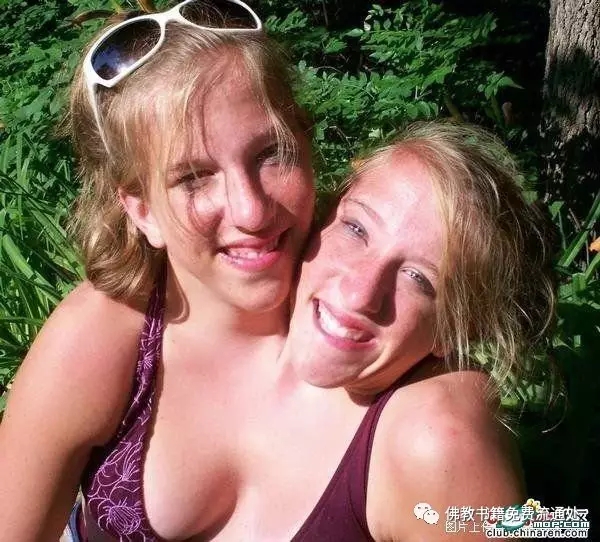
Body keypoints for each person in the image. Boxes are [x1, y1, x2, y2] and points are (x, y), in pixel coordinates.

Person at [0, 2, 555, 542]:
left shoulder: (420, 417)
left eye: (272, 154)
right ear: (142, 210)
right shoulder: (101, 341)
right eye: (193, 177)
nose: (251, 211)